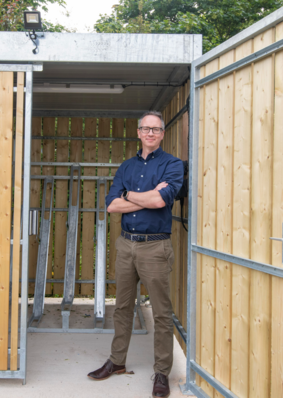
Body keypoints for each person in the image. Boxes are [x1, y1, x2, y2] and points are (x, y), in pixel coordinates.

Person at [87, 111, 184, 398]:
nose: (151, 133)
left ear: (162, 134)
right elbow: (111, 206)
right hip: (126, 245)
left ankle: (162, 373)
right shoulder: (126, 167)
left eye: (156, 129)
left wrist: (129, 195)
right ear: (139, 132)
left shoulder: (173, 165)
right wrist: (141, 198)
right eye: (146, 129)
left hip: (156, 246)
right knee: (122, 308)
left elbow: (160, 200)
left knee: (162, 314)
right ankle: (117, 362)